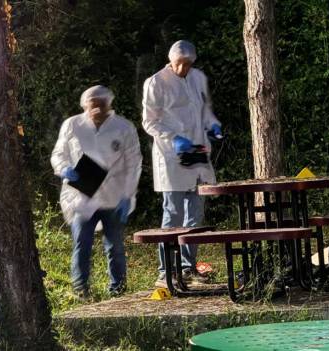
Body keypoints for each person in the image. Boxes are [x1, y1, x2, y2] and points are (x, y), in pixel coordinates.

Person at [142, 40, 222, 287]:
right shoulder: (156, 82)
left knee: (195, 215)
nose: (185, 68)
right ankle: (166, 271)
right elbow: (149, 122)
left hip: (196, 153)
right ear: (171, 60)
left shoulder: (196, 79)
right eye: (181, 63)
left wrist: (212, 124)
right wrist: (174, 138)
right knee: (173, 213)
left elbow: (201, 110)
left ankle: (188, 268)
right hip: (171, 155)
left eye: (189, 64)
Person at [51, 85, 142, 300]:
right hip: (82, 198)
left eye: (102, 105)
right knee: (82, 244)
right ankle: (81, 290)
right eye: (93, 106)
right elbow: (58, 153)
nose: (98, 110)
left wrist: (127, 195)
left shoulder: (123, 127)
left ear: (109, 104)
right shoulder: (73, 125)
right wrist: (64, 168)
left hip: (114, 196)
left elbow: (134, 162)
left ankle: (118, 290)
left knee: (115, 247)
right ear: (85, 106)